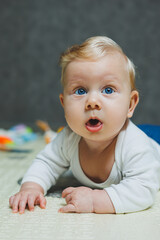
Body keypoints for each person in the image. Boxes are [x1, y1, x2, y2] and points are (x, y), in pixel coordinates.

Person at [9, 36, 160, 214]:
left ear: (130, 104)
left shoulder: (136, 146)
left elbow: (143, 190)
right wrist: (31, 187)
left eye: (108, 90)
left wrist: (95, 200)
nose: (92, 102)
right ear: (64, 104)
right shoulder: (69, 138)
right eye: (80, 90)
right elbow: (46, 163)